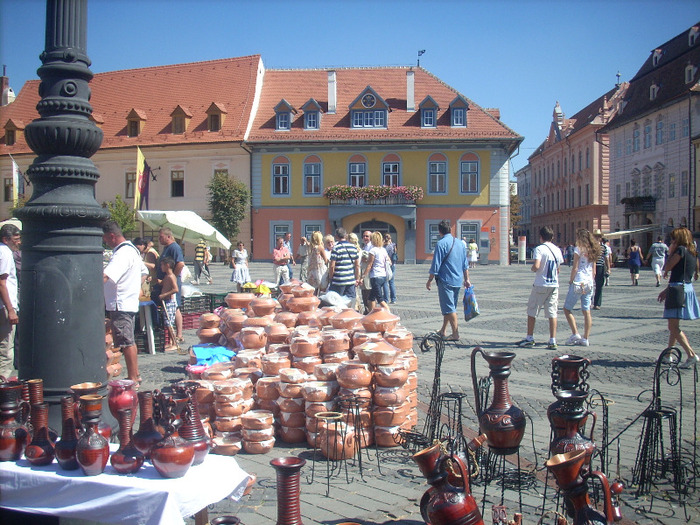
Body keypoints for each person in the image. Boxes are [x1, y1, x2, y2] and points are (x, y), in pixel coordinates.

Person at [102, 220, 146, 382]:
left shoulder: (122, 254)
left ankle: (133, 377)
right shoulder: (132, 250)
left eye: (106, 239)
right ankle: (136, 375)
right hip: (126, 301)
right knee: (128, 340)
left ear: (112, 236)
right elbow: (144, 272)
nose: (105, 242)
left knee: (127, 342)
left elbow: (107, 275)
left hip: (120, 303)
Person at [657, 227, 699, 368]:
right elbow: (681, 274)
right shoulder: (692, 251)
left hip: (677, 290)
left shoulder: (680, 250)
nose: (672, 241)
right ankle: (669, 355)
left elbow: (667, 267)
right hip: (685, 287)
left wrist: (671, 252)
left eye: (674, 239)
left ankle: (691, 354)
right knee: (674, 326)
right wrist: (666, 290)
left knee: (673, 327)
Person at [517, 226, 564, 349]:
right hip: (554, 284)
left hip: (540, 284)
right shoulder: (557, 250)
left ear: (541, 237)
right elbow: (558, 269)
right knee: (552, 312)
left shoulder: (539, 249)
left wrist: (533, 268)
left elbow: (537, 265)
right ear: (552, 237)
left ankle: (530, 337)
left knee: (532, 310)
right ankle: (552, 340)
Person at [426, 220, 469, 341]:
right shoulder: (460, 243)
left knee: (449, 308)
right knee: (450, 307)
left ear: (439, 231)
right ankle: (443, 330)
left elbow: (436, 264)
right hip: (457, 279)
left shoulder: (441, 244)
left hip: (446, 280)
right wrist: (467, 279)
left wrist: (429, 280)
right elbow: (465, 264)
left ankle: (455, 334)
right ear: (450, 229)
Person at [562, 229, 601, 347]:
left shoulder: (578, 249)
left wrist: (571, 280)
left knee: (567, 309)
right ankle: (585, 338)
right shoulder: (593, 250)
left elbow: (575, 267)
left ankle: (575, 333)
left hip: (579, 281)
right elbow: (594, 270)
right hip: (589, 282)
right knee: (586, 311)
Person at [154, 227, 185, 342]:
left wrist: (172, 278)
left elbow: (180, 263)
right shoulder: (167, 248)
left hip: (171, 284)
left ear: (168, 236)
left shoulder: (174, 247)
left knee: (175, 306)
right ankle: (176, 335)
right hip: (165, 283)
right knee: (173, 307)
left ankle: (179, 334)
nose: (159, 239)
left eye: (161, 237)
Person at [0, 224, 20, 380]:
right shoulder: (5, 253)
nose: (18, 242)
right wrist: (11, 309)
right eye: (16, 239)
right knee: (6, 349)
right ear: (6, 239)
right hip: (5, 306)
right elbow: (2, 283)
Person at [328, 227, 360, 303]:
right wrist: (357, 278)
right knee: (350, 302)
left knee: (336, 302)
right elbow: (357, 265)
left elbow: (332, 265)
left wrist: (331, 277)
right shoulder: (353, 247)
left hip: (338, 280)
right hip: (350, 280)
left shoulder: (336, 248)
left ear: (336, 236)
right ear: (345, 235)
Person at [363, 231, 391, 312]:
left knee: (380, 299)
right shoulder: (383, 250)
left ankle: (390, 315)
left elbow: (369, 265)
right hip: (383, 275)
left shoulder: (373, 250)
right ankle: (371, 314)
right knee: (371, 298)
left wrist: (363, 276)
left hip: (375, 276)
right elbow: (389, 261)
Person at [158, 257, 180, 353]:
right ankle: (171, 342)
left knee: (169, 323)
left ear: (167, 265)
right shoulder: (166, 276)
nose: (161, 267)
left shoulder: (171, 276)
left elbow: (175, 289)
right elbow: (163, 284)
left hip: (170, 302)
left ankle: (175, 343)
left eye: (162, 265)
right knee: (167, 322)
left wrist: (164, 295)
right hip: (165, 302)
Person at [592, 230, 611, 310]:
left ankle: (597, 303)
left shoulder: (604, 247)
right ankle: (588, 302)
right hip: (591, 267)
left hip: (600, 267)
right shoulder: (590, 246)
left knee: (599, 286)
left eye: (598, 236)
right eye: (595, 236)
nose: (597, 238)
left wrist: (608, 268)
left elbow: (606, 258)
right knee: (590, 286)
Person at [348, 232, 364, 312]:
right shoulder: (359, 250)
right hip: (358, 270)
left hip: (353, 270)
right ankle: (357, 306)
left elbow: (356, 264)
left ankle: (355, 307)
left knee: (352, 290)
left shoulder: (352, 250)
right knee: (355, 290)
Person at [360, 230, 373, 312]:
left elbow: (372, 260)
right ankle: (366, 309)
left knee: (368, 291)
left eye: (367, 236)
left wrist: (366, 259)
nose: (365, 238)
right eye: (364, 236)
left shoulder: (372, 247)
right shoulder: (364, 246)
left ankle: (370, 309)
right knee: (363, 291)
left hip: (369, 273)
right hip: (363, 271)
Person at [383, 233, 397, 304]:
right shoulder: (393, 245)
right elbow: (395, 253)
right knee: (391, 282)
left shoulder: (384, 247)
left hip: (386, 264)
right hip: (393, 265)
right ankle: (393, 299)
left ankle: (386, 299)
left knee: (385, 282)